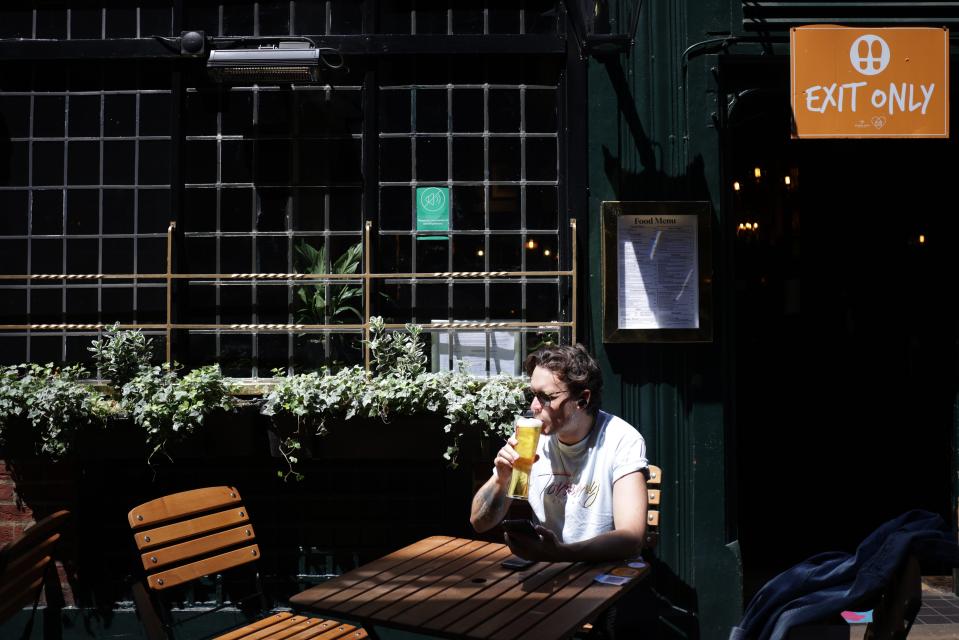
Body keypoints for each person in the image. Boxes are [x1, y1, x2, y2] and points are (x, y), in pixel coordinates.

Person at [469, 343, 649, 563]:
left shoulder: (620, 439)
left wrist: (562, 553)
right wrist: (501, 478)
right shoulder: (531, 437)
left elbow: (631, 539)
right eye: (533, 394)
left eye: (546, 397)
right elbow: (479, 523)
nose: (534, 406)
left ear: (582, 399)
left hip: (604, 570)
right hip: (549, 567)